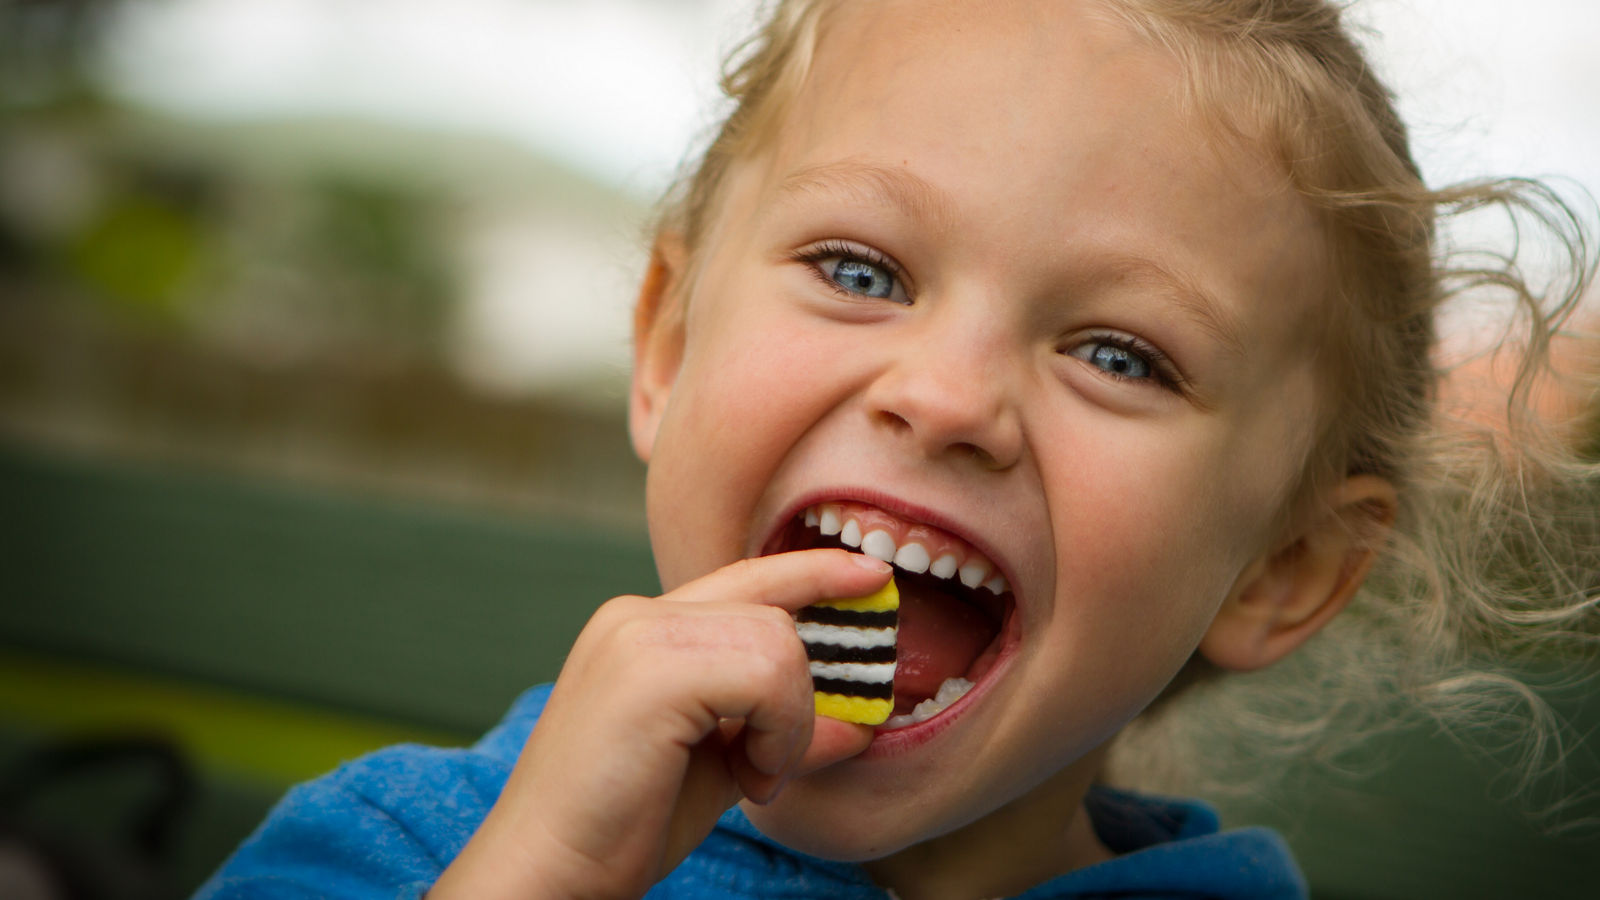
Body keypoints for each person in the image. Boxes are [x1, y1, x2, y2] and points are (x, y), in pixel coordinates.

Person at [195, 1, 1600, 898]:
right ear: (671, 345)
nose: (945, 400)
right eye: (863, 270)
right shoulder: (409, 852)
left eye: (1119, 355)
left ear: (1279, 570)